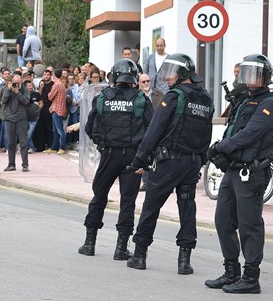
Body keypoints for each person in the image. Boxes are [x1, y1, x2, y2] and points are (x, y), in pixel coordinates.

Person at [127, 53, 214, 274]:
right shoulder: (205, 98)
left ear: (183, 73)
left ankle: (139, 255)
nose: (167, 78)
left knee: (151, 206)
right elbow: (206, 134)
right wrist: (200, 161)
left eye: (171, 73)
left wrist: (140, 158)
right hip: (192, 162)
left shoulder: (174, 97)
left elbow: (155, 129)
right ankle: (184, 262)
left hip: (169, 162)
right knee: (187, 208)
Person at [205, 54, 273, 294]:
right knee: (223, 221)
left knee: (249, 224)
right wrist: (221, 151)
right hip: (233, 169)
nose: (251, 78)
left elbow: (250, 134)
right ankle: (231, 270)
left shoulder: (269, 102)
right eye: (248, 73)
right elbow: (232, 129)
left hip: (251, 172)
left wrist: (220, 148)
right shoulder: (244, 100)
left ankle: (251, 277)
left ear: (265, 77)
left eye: (256, 74)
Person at [79, 59, 153, 260]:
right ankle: (121, 248)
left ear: (114, 76)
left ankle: (89, 243)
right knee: (127, 202)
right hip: (132, 157)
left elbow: (89, 128)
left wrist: (102, 144)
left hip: (109, 155)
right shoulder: (141, 99)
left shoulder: (103, 98)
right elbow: (151, 132)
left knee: (99, 197)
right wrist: (144, 159)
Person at [1, 74, 30, 171]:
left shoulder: (25, 89)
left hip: (22, 118)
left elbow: (26, 101)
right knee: (10, 143)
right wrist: (9, 90)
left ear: (21, 81)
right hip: (10, 118)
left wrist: (18, 92)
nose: (16, 85)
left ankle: (25, 165)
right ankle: (11, 164)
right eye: (15, 83)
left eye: (18, 83)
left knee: (23, 143)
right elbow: (3, 100)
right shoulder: (8, 89)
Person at [45, 69, 67, 154]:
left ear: (54, 75)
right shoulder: (61, 84)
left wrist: (48, 94)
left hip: (56, 109)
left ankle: (62, 147)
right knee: (56, 130)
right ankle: (54, 147)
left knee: (59, 130)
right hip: (60, 108)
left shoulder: (56, 84)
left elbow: (50, 96)